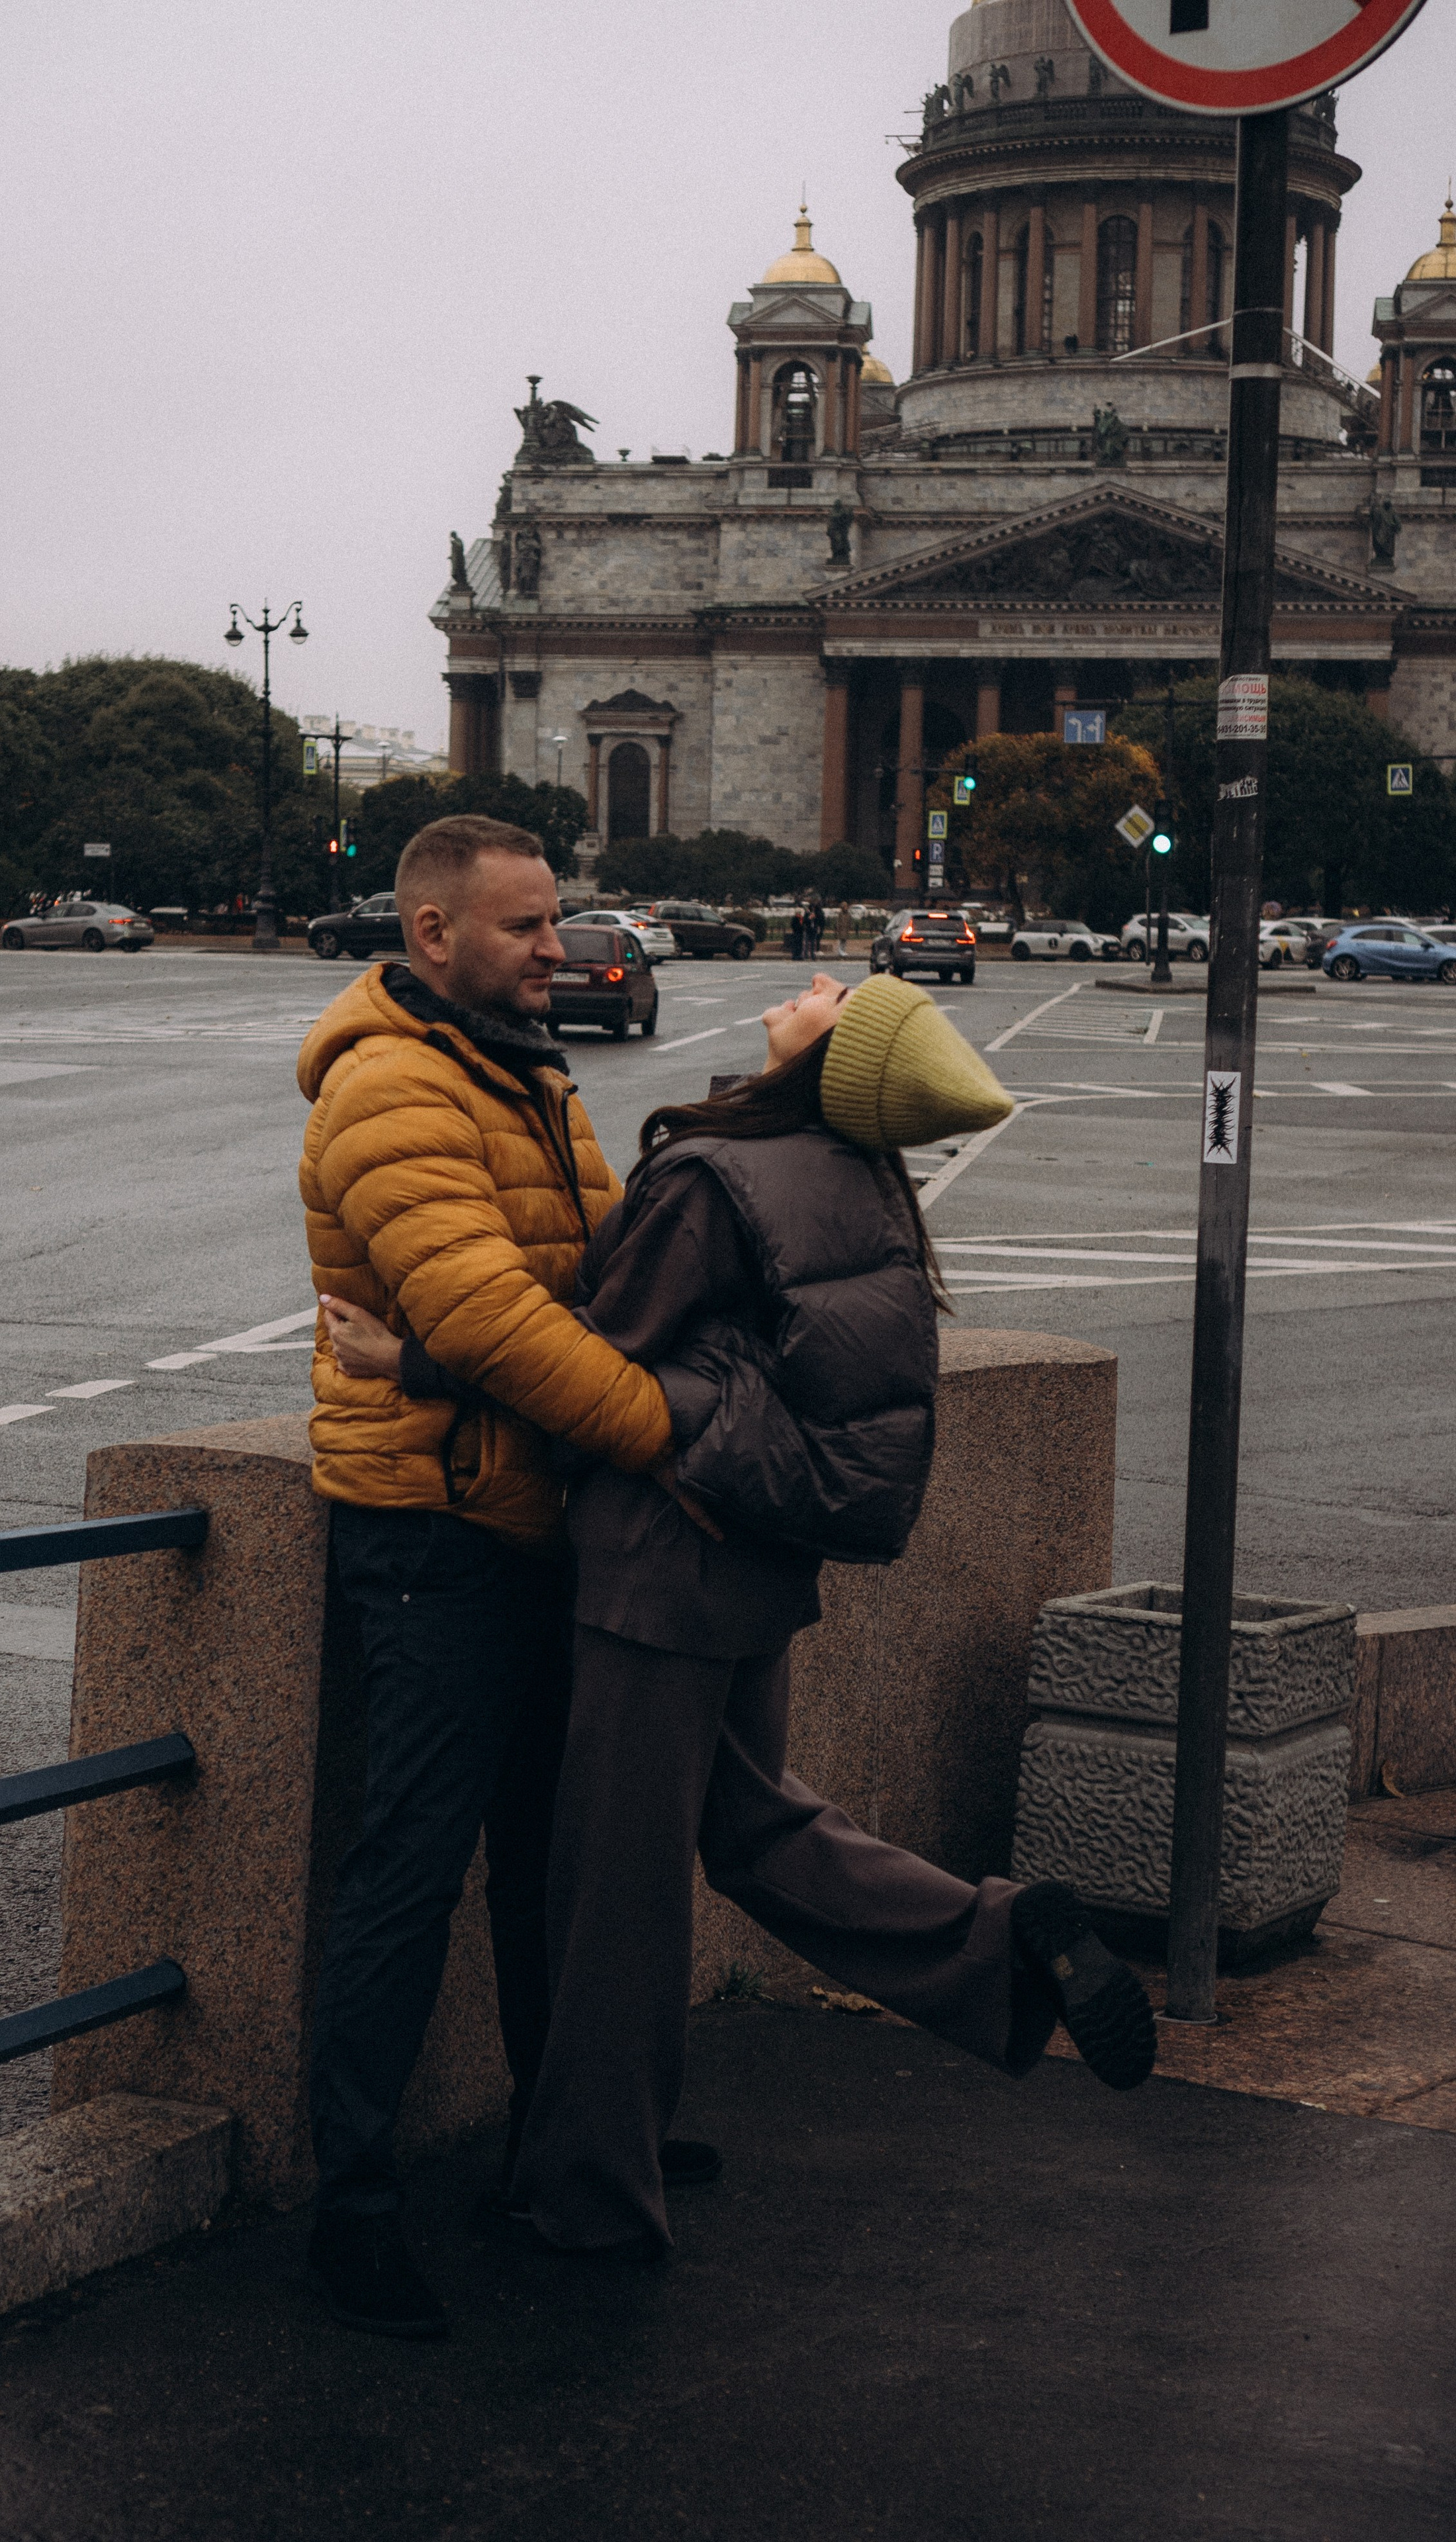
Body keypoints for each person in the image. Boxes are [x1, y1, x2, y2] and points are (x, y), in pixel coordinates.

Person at [325, 972, 1158, 2258]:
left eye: (837, 999)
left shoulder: (718, 1176)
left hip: (660, 1564)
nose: (811, 985)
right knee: (756, 1828)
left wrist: (407, 1363)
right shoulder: (858, 1177)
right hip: (756, 1566)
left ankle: (590, 2196)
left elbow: (588, 1353)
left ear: (836, 1063)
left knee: (614, 1894)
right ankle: (998, 1946)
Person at [295, 813, 676, 2339]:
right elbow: (511, 1321)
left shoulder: (522, 1068)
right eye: (525, 926)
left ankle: (556, 2141)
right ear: (434, 934)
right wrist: (664, 1437)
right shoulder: (392, 1085)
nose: (559, 947)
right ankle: (354, 2204)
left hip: (527, 1515)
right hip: (435, 1540)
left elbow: (597, 1273)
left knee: (544, 1862)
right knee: (411, 1869)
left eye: (559, 920)